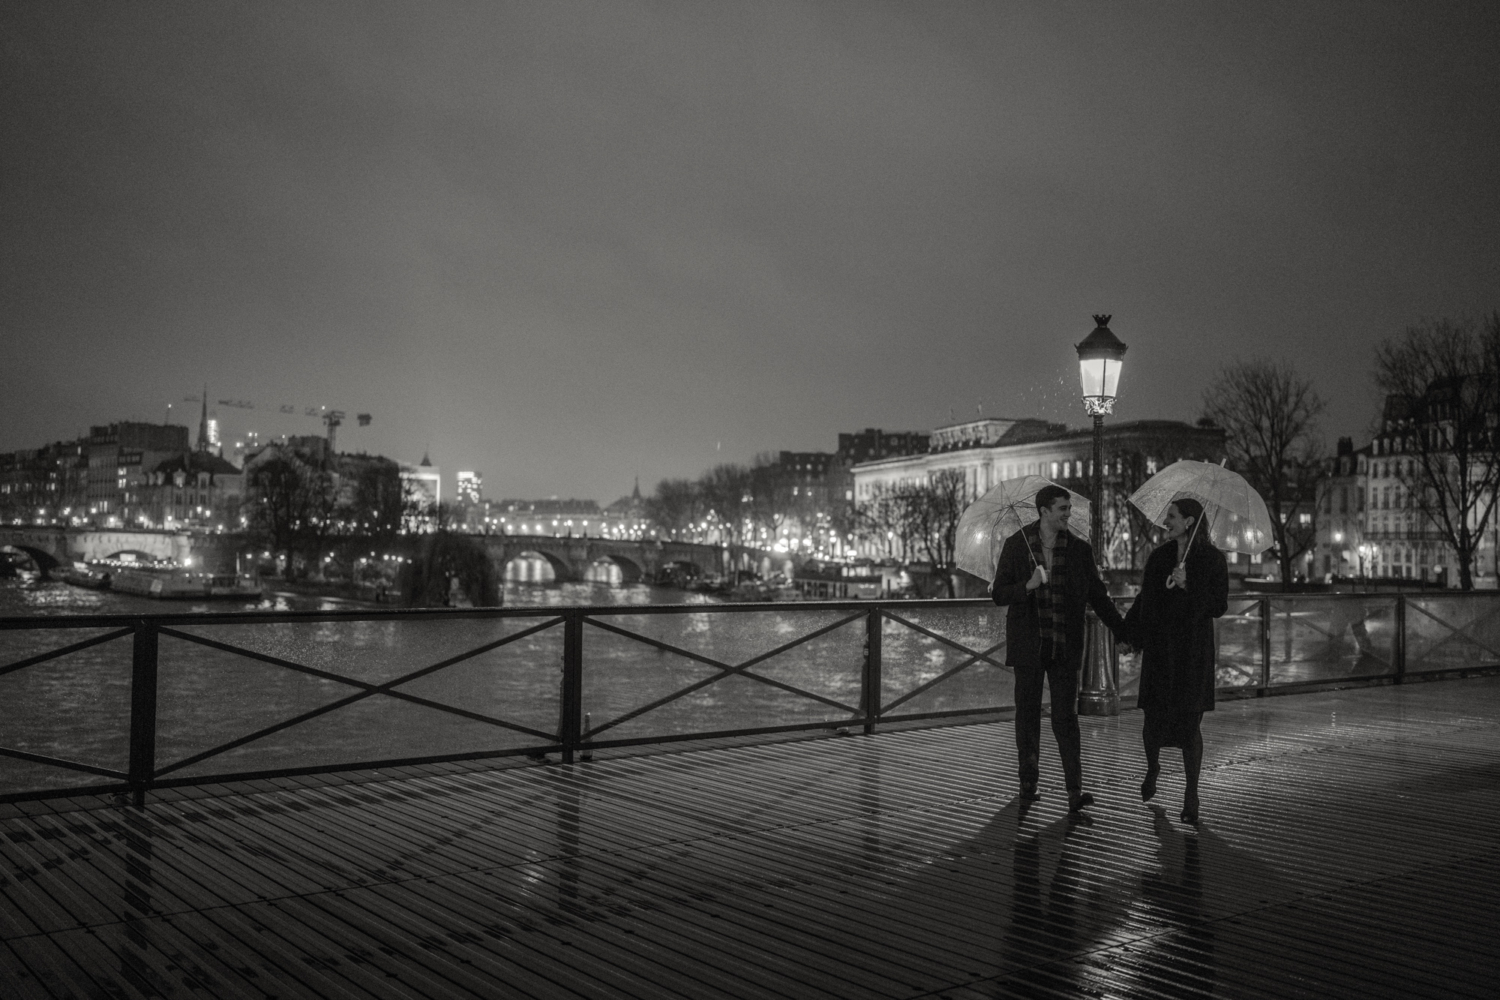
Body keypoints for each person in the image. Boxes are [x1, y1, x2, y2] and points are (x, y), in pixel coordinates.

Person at [991, 485, 1127, 811]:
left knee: (1066, 718)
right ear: (1044, 511)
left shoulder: (1079, 551)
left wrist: (1123, 632)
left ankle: (1074, 790)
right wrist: (1028, 586)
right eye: (1062, 509)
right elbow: (999, 594)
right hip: (1029, 645)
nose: (1068, 514)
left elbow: (1098, 596)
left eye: (1069, 508)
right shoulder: (1017, 545)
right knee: (1028, 715)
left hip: (1064, 645)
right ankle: (1028, 779)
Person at [1122, 497, 1229, 823]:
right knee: (1151, 722)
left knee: (1189, 725)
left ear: (1189, 521)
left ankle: (1191, 794)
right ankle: (1153, 766)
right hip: (1160, 652)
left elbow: (1218, 605)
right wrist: (1129, 634)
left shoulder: (1212, 559)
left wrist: (1190, 585)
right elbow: (1146, 600)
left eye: (1172, 516)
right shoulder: (1160, 557)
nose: (1165, 521)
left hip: (1191, 654)